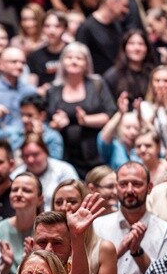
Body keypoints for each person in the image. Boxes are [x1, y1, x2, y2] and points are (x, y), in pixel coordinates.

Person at [46, 42, 116, 177]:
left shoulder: (97, 84)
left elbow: (111, 113)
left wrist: (86, 120)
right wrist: (56, 124)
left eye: (79, 58)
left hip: (96, 151)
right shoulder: (53, 89)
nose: (74, 61)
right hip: (65, 153)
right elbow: (48, 121)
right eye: (69, 57)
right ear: (62, 62)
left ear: (86, 63)